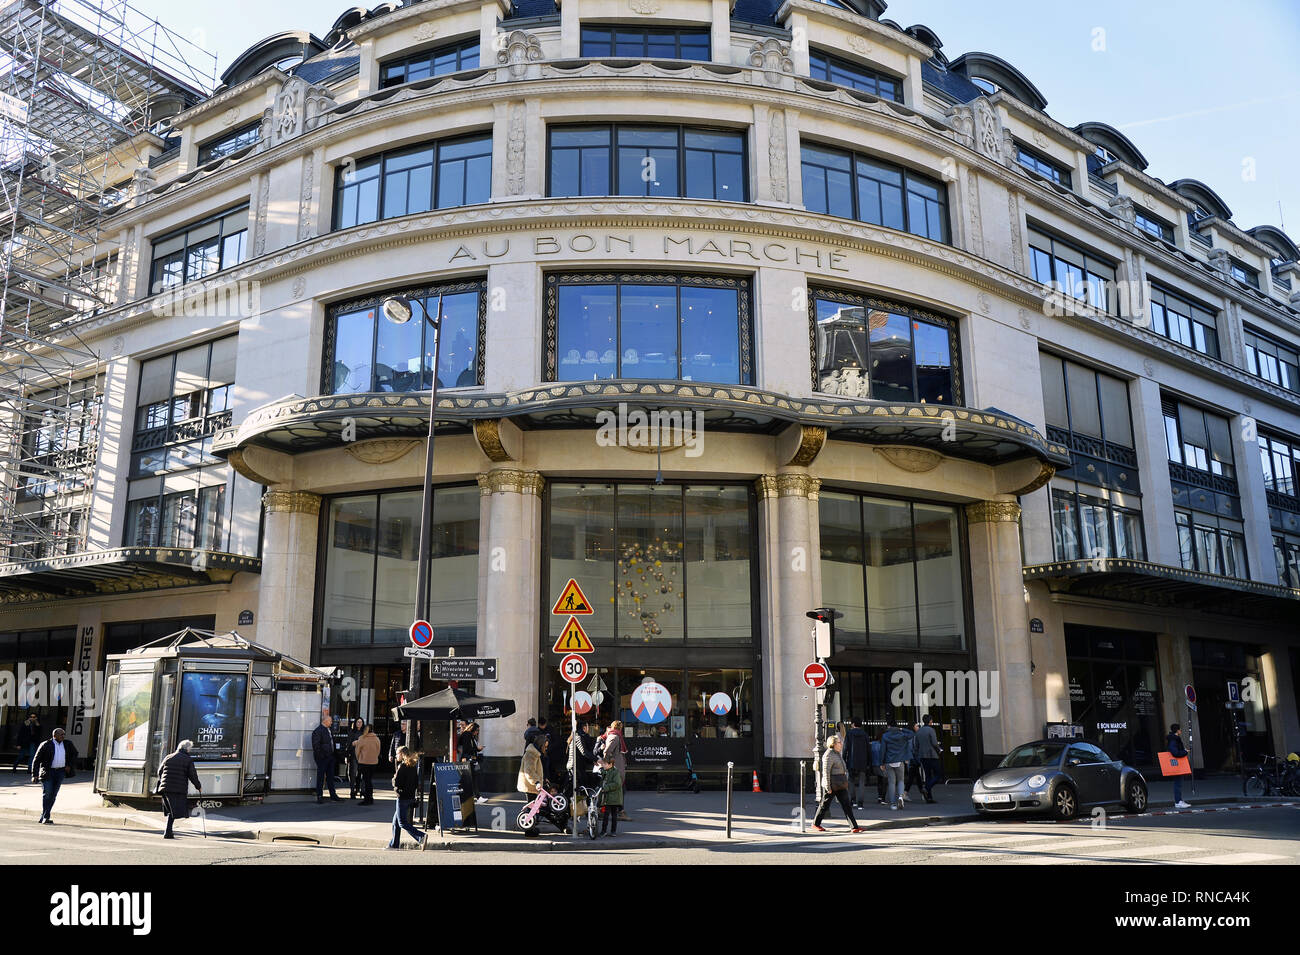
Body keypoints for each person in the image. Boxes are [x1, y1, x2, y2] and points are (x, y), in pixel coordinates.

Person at [812, 735, 866, 832]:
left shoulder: (837, 753)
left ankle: (854, 827)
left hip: (839, 783)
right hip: (832, 783)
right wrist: (828, 787)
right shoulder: (829, 755)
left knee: (846, 805)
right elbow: (826, 771)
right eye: (839, 742)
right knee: (824, 805)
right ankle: (815, 824)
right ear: (833, 744)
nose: (841, 744)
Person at [31, 727, 77, 824]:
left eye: (64, 734)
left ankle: (44, 816)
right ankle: (46, 816)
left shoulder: (67, 744)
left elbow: (75, 754)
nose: (63, 736)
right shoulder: (46, 744)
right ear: (54, 735)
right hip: (48, 772)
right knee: (47, 794)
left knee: (53, 795)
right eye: (61, 734)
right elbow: (36, 760)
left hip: (60, 772)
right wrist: (34, 775)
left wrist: (69, 765)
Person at [156, 739, 201, 839]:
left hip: (166, 788)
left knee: (171, 810)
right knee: (174, 810)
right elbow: (192, 775)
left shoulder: (168, 757)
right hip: (178, 789)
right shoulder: (187, 759)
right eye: (190, 749)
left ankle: (168, 832)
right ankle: (167, 832)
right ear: (187, 749)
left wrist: (163, 781)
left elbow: (159, 771)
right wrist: (198, 786)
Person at [388, 746, 425, 849]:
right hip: (410, 797)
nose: (396, 756)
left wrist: (394, 779)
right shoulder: (413, 765)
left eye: (397, 754)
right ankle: (394, 845)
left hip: (402, 797)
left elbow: (397, 783)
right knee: (395, 822)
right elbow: (416, 782)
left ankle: (421, 836)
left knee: (402, 822)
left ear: (402, 754)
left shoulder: (402, 766)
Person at [880, 718, 915, 811]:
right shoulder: (902, 734)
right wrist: (902, 729)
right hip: (900, 760)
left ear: (888, 726)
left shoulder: (885, 736)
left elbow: (882, 750)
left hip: (889, 761)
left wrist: (881, 762)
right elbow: (912, 734)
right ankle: (900, 796)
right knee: (900, 780)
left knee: (891, 782)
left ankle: (893, 804)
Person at [312, 714, 340, 804]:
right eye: (330, 721)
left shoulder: (329, 730)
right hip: (322, 758)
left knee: (330, 777)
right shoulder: (318, 731)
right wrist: (322, 756)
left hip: (331, 757)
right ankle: (319, 795)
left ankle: (333, 795)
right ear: (325, 721)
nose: (331, 723)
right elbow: (316, 746)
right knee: (321, 777)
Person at [843, 720, 871, 808]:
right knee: (861, 782)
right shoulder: (865, 734)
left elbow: (845, 748)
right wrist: (869, 761)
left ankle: (853, 800)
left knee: (851, 781)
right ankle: (860, 803)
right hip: (862, 762)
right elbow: (868, 749)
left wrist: (844, 759)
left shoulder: (849, 734)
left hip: (851, 761)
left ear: (853, 724)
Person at [915, 715, 942, 804]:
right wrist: (939, 749)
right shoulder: (931, 730)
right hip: (932, 755)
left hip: (922, 756)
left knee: (928, 776)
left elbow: (916, 745)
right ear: (930, 721)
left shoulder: (919, 731)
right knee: (938, 775)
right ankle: (926, 789)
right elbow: (934, 743)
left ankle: (929, 798)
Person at [457, 721, 486, 803]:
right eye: (477, 730)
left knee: (468, 778)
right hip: (468, 759)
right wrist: (476, 749)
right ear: (473, 729)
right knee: (472, 778)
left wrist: (478, 749)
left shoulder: (469, 735)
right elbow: (467, 748)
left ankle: (464, 796)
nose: (477, 732)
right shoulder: (467, 735)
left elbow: (470, 747)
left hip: (467, 759)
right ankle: (477, 797)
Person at [352, 724, 381, 805]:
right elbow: (378, 751)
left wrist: (359, 759)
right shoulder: (377, 739)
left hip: (364, 762)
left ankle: (367, 799)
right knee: (369, 780)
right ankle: (370, 797)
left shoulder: (362, 738)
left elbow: (357, 751)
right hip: (373, 762)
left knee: (366, 780)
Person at [598, 757, 624, 837]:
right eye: (603, 764)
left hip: (614, 797)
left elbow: (617, 784)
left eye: (605, 764)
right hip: (607, 797)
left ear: (610, 764)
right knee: (605, 815)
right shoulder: (604, 771)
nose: (603, 765)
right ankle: (604, 831)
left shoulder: (615, 772)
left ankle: (613, 831)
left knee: (613, 816)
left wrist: (605, 788)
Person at [1167, 723, 1191, 809]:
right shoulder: (1174, 740)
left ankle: (1179, 800)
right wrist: (1185, 752)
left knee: (1178, 783)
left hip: (1177, 764)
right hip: (1176, 764)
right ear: (1177, 730)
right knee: (1178, 783)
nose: (1181, 730)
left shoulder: (1173, 739)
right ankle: (1178, 801)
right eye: (1180, 729)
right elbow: (1175, 753)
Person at [346, 717, 364, 800]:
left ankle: (358, 789)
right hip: (353, 755)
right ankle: (352, 791)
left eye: (361, 722)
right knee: (352, 774)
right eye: (358, 722)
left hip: (362, 755)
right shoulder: (351, 732)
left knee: (360, 774)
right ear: (355, 723)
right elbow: (348, 745)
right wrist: (347, 756)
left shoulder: (364, 732)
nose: (359, 723)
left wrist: (358, 742)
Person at [870, 729, 887, 805]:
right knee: (884, 782)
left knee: (879, 781)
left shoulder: (872, 744)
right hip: (882, 765)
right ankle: (883, 798)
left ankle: (879, 797)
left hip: (874, 765)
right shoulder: (884, 744)